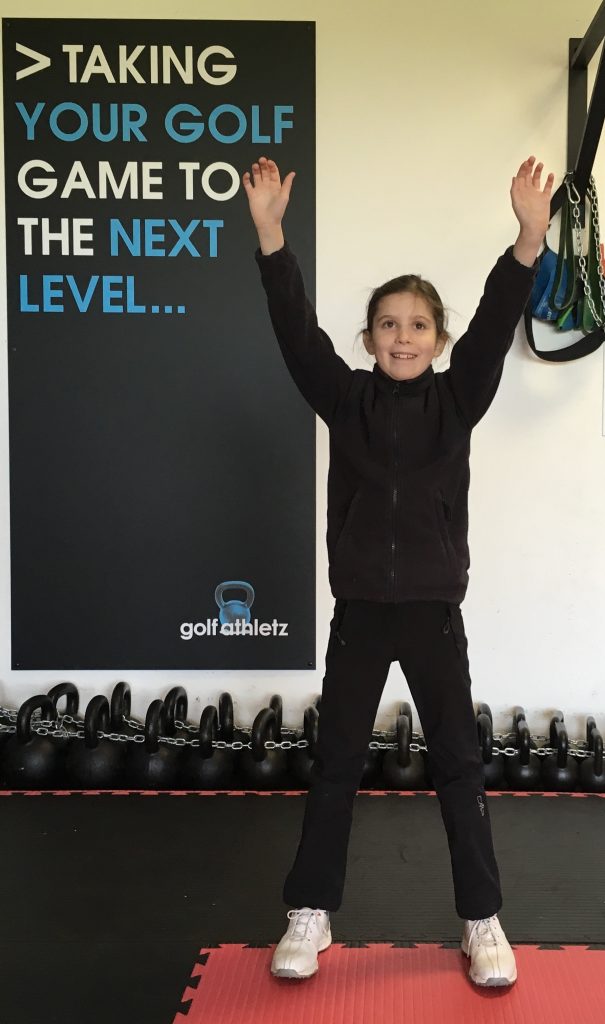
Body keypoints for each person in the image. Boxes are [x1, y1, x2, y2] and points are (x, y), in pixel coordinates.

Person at [243, 155, 553, 986]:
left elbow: (496, 318)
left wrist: (527, 239)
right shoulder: (343, 399)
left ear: (437, 340)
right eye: (387, 324)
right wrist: (270, 234)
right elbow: (294, 330)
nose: (402, 337)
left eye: (417, 325)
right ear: (369, 338)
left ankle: (481, 919)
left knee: (457, 762)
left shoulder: (458, 399)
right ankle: (310, 912)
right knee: (336, 761)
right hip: (360, 611)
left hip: (431, 611)